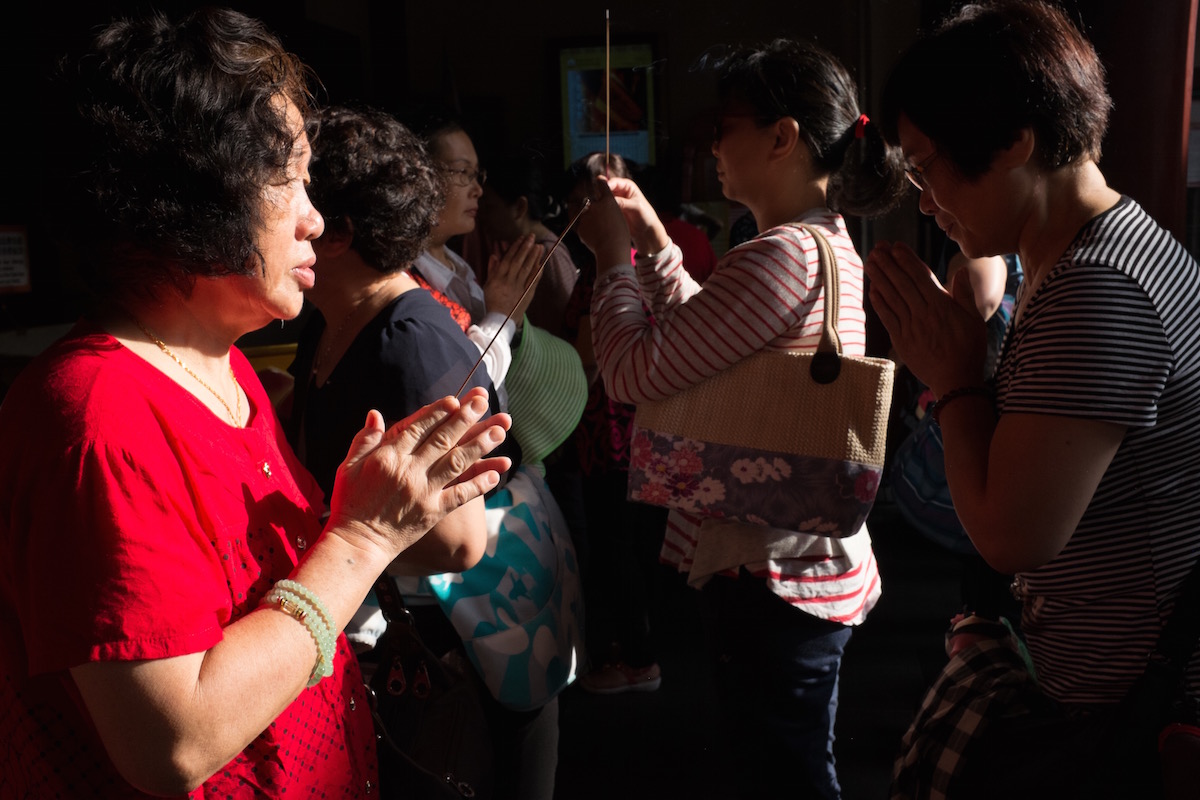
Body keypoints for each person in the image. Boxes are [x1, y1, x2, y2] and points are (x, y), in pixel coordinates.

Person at [0, 10, 513, 798]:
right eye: (287, 178)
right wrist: (363, 538)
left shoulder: (226, 364)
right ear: (190, 195)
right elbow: (173, 743)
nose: (315, 217)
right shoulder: (97, 418)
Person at [865, 1, 1200, 796]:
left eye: (926, 167)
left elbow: (1013, 535)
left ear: (1015, 140)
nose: (923, 200)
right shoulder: (1093, 246)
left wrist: (954, 378)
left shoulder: (1097, 288)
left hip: (1128, 706)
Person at [575, 38, 906, 798]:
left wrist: (611, 260)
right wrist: (655, 243)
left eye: (724, 127)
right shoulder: (820, 244)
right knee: (787, 760)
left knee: (781, 773)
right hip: (797, 558)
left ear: (781, 136)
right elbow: (711, 341)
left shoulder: (780, 254)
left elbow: (630, 374)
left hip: (772, 571)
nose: (713, 146)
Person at [293, 104, 579, 800]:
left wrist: (329, 534)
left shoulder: (410, 342)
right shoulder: (333, 321)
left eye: (296, 200)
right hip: (419, 646)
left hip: (456, 658)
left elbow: (460, 539)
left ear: (340, 234)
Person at [560, 151, 671, 695]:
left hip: (609, 435)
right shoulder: (646, 262)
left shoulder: (603, 271)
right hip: (649, 431)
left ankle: (638, 660)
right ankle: (646, 652)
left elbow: (586, 360)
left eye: (584, 201)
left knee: (614, 547)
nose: (576, 212)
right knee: (640, 547)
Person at [475, 150, 580, 338]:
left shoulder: (549, 257)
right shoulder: (530, 251)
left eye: (489, 207)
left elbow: (561, 331)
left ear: (520, 207)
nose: (481, 216)